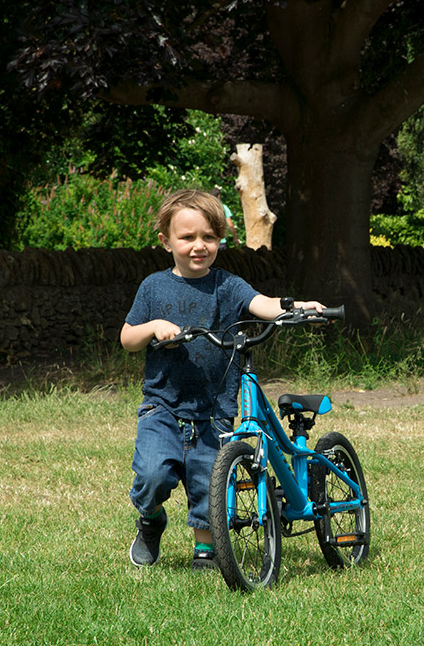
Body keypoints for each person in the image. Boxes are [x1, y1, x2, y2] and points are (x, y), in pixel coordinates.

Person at [120, 188, 324, 571]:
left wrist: (293, 306)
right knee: (152, 474)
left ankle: (205, 549)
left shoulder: (226, 285)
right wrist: (153, 327)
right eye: (188, 237)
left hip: (213, 408)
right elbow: (128, 339)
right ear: (166, 242)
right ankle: (150, 520)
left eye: (209, 237)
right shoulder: (152, 287)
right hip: (162, 405)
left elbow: (259, 304)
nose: (199, 246)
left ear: (219, 240)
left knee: (206, 481)